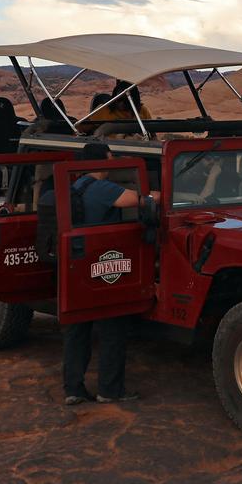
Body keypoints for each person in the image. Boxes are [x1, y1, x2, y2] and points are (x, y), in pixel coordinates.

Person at [62, 142, 160, 405]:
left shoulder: (75, 185)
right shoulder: (102, 188)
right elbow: (137, 201)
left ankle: (73, 388)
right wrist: (161, 197)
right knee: (112, 327)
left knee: (77, 328)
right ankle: (110, 389)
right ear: (103, 160)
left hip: (77, 261)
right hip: (104, 262)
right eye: (111, 157)